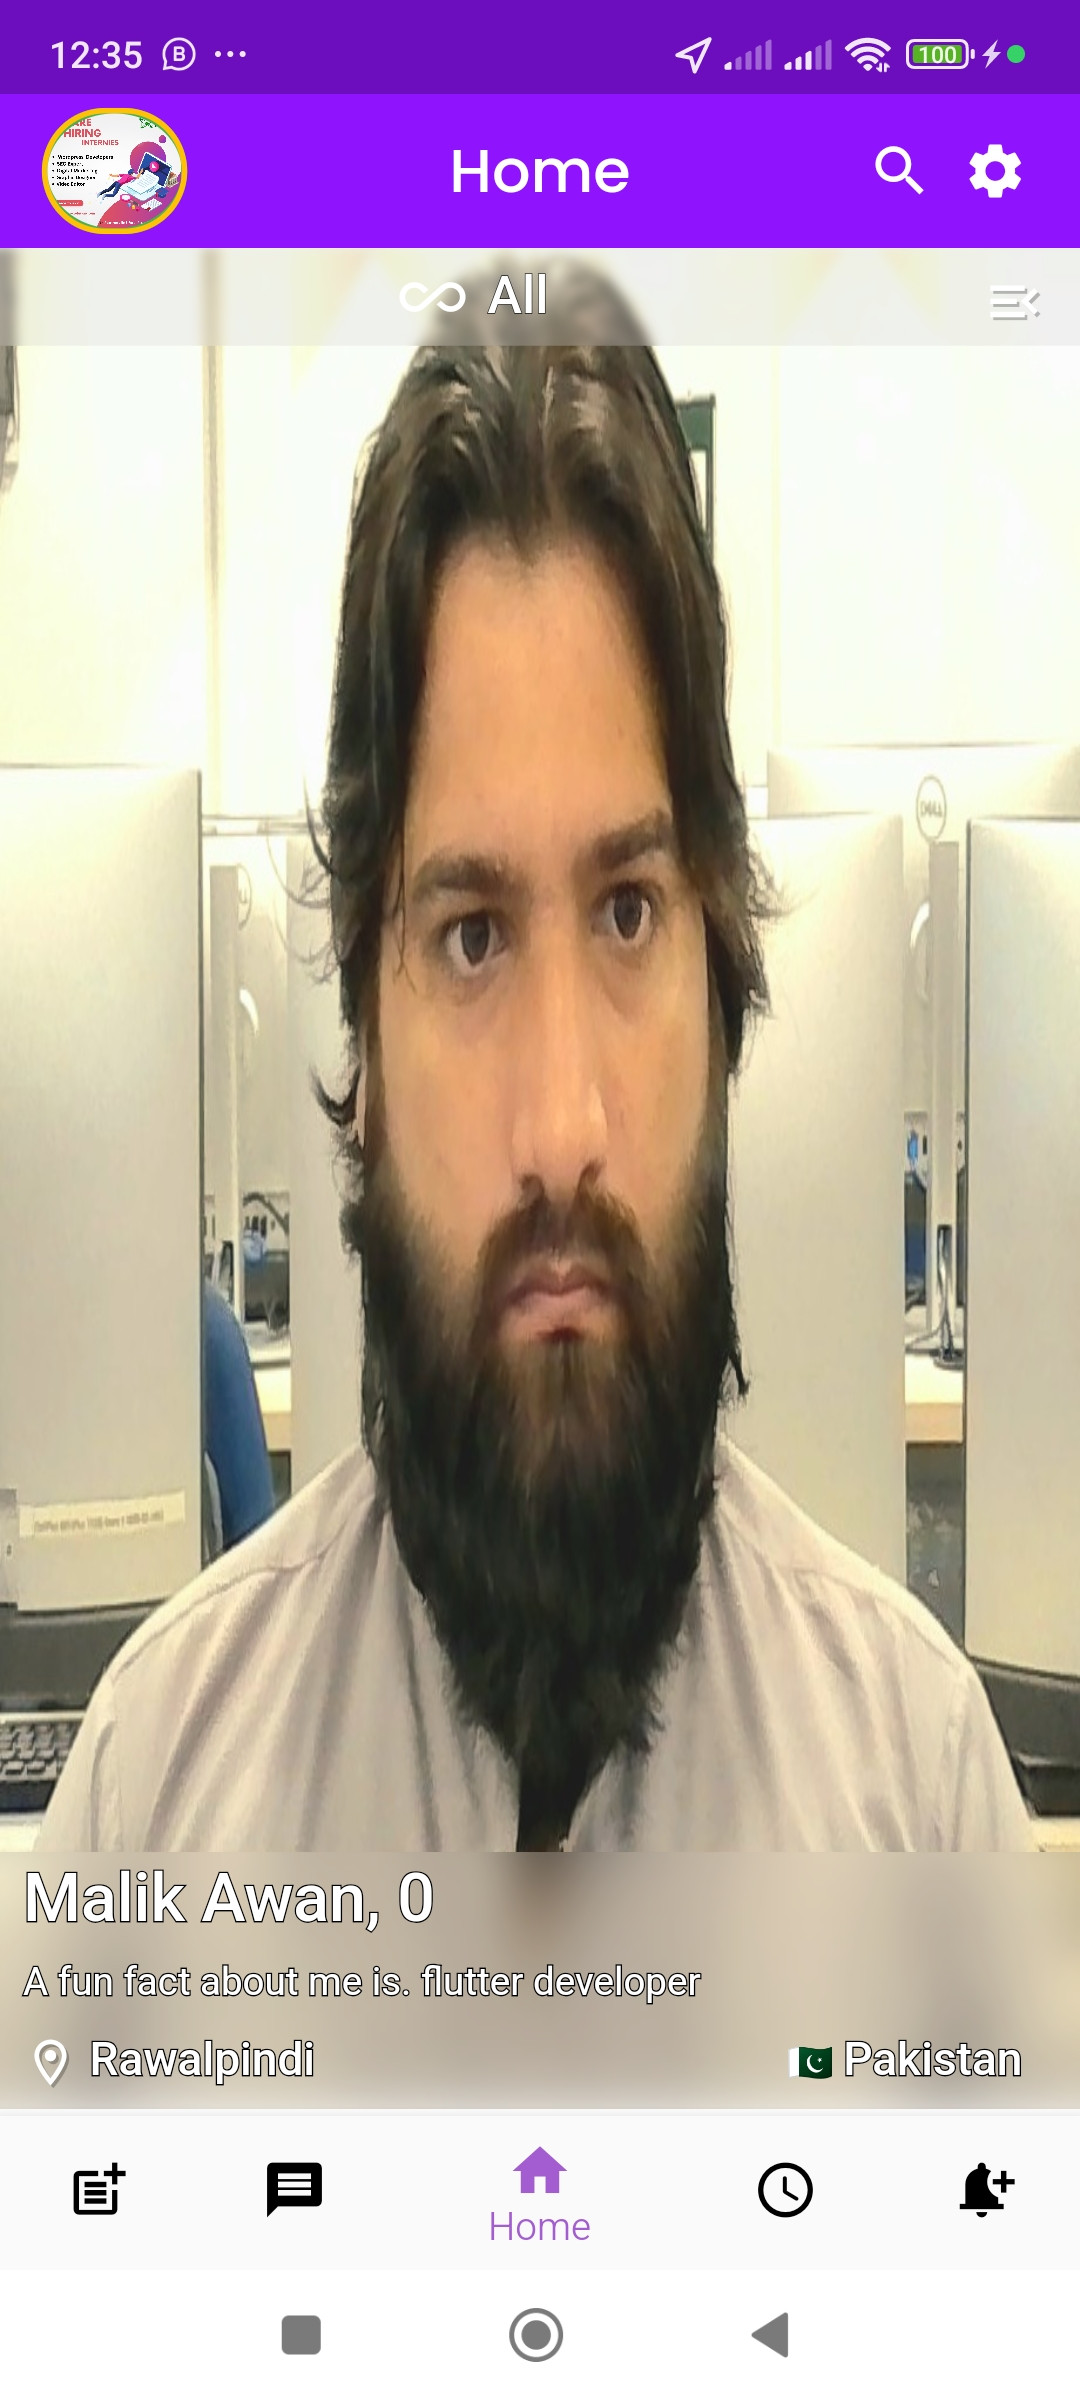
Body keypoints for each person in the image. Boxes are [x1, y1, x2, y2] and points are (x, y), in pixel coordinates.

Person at [40, 345, 1032, 1852]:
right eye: (471, 936)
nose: (564, 1129)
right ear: (364, 1042)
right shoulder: (152, 1799)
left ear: (723, 982)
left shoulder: (924, 1794)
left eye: (630, 912)